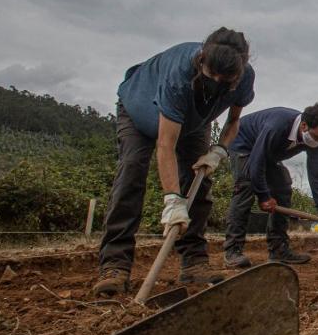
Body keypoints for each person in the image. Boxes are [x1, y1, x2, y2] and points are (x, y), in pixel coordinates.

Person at [94, 28, 255, 295]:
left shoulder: (244, 78)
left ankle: (194, 264)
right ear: (202, 58)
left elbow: (234, 121)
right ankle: (115, 265)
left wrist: (219, 150)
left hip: (194, 122)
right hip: (139, 112)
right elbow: (165, 144)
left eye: (224, 80)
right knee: (132, 172)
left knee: (199, 182)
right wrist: (172, 201)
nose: (216, 82)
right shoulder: (179, 76)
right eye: (210, 75)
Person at [223, 103, 318, 267]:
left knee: (283, 188)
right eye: (317, 136)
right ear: (304, 125)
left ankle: (278, 250)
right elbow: (256, 162)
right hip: (243, 143)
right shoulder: (277, 126)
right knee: (246, 186)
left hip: (267, 152)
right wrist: (264, 196)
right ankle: (232, 251)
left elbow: (317, 175)